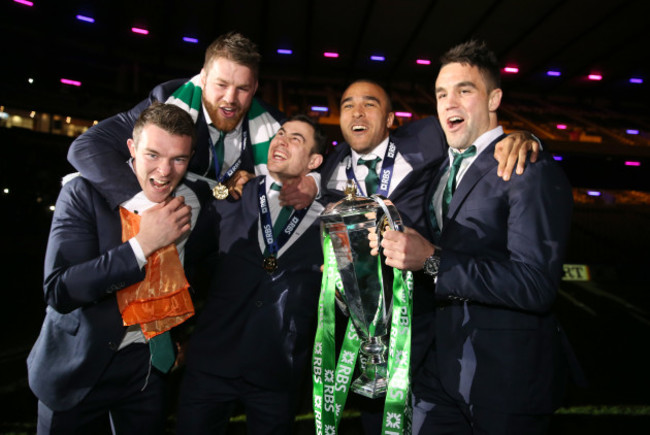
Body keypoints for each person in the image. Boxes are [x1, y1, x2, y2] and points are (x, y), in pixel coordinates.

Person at [318, 79, 540, 433]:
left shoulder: (426, 138)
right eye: (347, 105)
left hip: (426, 318)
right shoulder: (330, 168)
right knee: (377, 421)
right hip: (366, 332)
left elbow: (474, 132)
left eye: (369, 104)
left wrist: (523, 135)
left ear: (391, 117)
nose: (357, 112)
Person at [376, 40, 576, 434]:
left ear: (493, 98)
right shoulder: (435, 174)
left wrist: (432, 259)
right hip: (438, 371)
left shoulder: (526, 166)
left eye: (464, 90)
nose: (449, 102)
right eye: (441, 93)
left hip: (505, 378)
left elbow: (536, 285)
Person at [27, 102, 215, 434]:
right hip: (80, 364)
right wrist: (142, 246)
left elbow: (187, 272)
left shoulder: (191, 203)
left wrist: (176, 335)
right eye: (153, 155)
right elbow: (60, 290)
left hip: (147, 367)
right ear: (131, 147)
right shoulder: (82, 191)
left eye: (179, 159)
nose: (164, 171)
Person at [176, 115, 327, 434]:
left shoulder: (332, 212)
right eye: (281, 133)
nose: (281, 140)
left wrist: (319, 184)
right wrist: (180, 333)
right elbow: (191, 263)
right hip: (212, 360)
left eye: (296, 138)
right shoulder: (233, 195)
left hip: (278, 370)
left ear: (314, 161)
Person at [67, 31, 318, 210]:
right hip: (176, 226)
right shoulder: (166, 103)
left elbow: (317, 165)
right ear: (203, 79)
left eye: (242, 88)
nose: (230, 99)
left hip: (227, 244)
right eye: (221, 85)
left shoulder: (274, 125)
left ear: (254, 89)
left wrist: (309, 184)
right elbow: (85, 147)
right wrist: (142, 204)